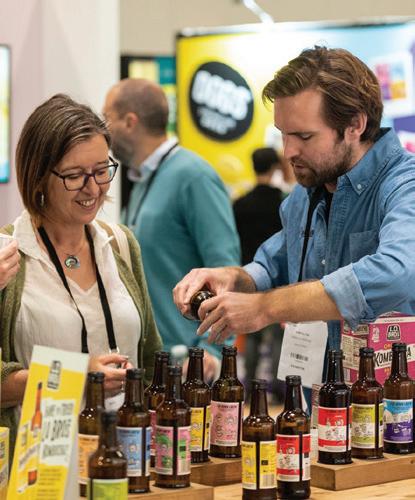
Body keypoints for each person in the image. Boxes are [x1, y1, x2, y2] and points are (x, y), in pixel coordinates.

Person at [173, 46, 415, 373]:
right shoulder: (305, 193)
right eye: (283, 135)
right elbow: (275, 264)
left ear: (355, 125)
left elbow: (398, 273)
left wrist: (265, 307)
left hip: (392, 398)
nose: (288, 152)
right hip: (316, 394)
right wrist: (231, 278)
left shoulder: (404, 185)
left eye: (304, 136)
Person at [0, 94, 162, 454]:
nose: (93, 188)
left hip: (126, 461)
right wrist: (76, 376)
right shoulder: (8, 256)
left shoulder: (121, 245)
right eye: (74, 176)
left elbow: (151, 357)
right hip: (41, 465)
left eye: (102, 170)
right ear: (39, 176)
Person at [103, 79, 240, 379]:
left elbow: (226, 269)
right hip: (150, 362)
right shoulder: (143, 179)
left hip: (189, 365)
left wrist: (212, 350)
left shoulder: (194, 176)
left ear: (130, 122)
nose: (104, 131)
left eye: (107, 118)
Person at [233, 147, 284, 401]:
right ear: (275, 167)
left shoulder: (240, 204)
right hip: (277, 279)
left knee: (251, 332)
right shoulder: (283, 202)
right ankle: (277, 387)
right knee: (276, 334)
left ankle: (251, 385)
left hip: (248, 276)